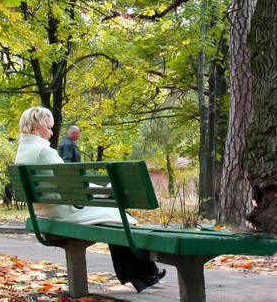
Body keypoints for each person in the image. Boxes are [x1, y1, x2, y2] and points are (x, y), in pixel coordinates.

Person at [14, 106, 165, 292]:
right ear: (37, 126)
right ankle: (145, 274)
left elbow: (68, 184)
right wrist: (106, 191)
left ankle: (143, 275)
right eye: (49, 128)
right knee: (119, 216)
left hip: (45, 211)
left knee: (115, 217)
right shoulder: (44, 152)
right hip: (62, 211)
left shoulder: (23, 150)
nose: (52, 133)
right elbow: (73, 185)